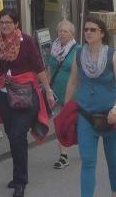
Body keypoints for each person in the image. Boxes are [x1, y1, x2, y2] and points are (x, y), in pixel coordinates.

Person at [0, 9, 55, 197]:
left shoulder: (27, 41)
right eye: (2, 22)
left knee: (17, 134)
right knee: (12, 135)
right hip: (5, 96)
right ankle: (18, 175)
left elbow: (38, 67)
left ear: (16, 24)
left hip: (25, 95)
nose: (4, 25)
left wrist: (48, 90)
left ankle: (20, 182)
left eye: (8, 22)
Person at [65, 14, 116, 197]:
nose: (88, 33)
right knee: (88, 161)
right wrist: (66, 108)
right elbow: (72, 82)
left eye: (93, 30)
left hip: (111, 116)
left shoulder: (113, 56)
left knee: (113, 160)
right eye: (86, 29)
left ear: (102, 33)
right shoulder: (78, 54)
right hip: (86, 117)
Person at [46, 19, 80, 170]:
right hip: (57, 93)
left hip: (75, 95)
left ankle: (84, 146)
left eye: (66, 31)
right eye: (60, 31)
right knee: (60, 123)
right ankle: (63, 156)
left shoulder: (78, 50)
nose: (62, 33)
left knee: (78, 124)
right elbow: (49, 70)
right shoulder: (53, 49)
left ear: (72, 34)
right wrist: (47, 89)